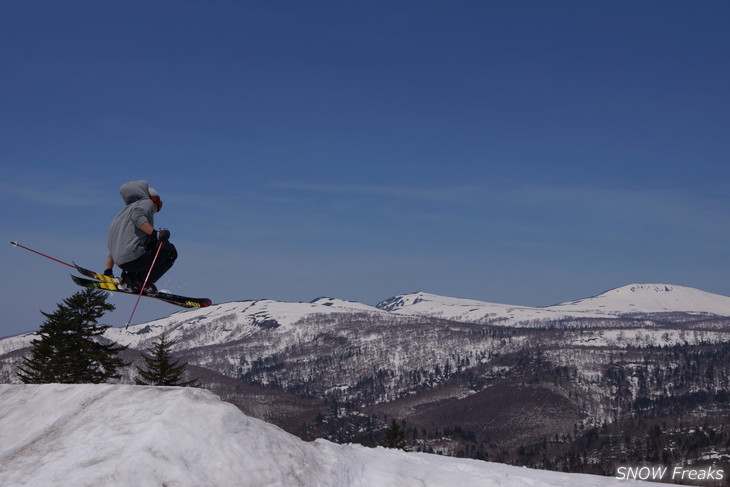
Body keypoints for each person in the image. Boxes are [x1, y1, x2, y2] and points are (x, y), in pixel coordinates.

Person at [104, 180, 177, 294]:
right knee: (170, 251)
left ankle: (129, 279)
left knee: (150, 242)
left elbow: (114, 246)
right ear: (154, 200)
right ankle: (140, 282)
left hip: (122, 262)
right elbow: (138, 217)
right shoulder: (146, 203)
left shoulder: (121, 215)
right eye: (158, 204)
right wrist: (156, 234)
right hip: (133, 259)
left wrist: (108, 271)